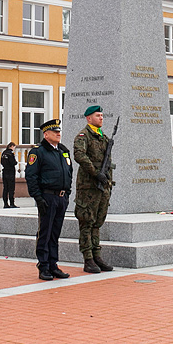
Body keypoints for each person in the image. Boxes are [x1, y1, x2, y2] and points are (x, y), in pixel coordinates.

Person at [25, 119, 73, 281]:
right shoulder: (38, 152)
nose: (59, 134)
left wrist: (67, 193)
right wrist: (38, 198)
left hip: (61, 197)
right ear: (46, 135)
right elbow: (31, 176)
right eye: (55, 132)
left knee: (55, 233)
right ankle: (43, 265)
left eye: (59, 131)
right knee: (45, 232)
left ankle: (53, 264)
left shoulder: (63, 150)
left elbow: (69, 172)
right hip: (47, 197)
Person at [74, 105, 114, 273]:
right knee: (87, 222)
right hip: (88, 186)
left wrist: (106, 181)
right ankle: (88, 258)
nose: (101, 118)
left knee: (97, 222)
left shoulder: (103, 137)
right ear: (89, 118)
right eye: (98, 115)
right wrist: (96, 173)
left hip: (102, 186)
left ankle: (97, 255)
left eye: (102, 115)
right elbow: (80, 156)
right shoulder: (84, 136)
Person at [0, 141, 19, 208]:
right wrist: (16, 162)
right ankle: (12, 203)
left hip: (5, 172)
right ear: (11, 146)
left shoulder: (4, 153)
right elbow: (13, 162)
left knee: (5, 188)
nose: (14, 148)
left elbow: (1, 162)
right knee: (11, 188)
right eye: (14, 147)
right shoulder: (10, 154)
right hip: (10, 172)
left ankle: (5, 203)